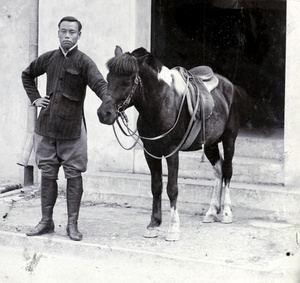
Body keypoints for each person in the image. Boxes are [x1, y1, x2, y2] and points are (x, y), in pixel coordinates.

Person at [21, 16, 107, 241]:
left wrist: (108, 100)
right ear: (58, 33)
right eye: (63, 31)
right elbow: (27, 75)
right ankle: (46, 221)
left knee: (73, 174)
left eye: (72, 32)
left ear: (80, 35)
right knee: (47, 173)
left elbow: (100, 84)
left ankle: (72, 225)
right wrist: (35, 99)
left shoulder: (84, 62)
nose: (67, 35)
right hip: (46, 126)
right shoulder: (49, 58)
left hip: (73, 130)